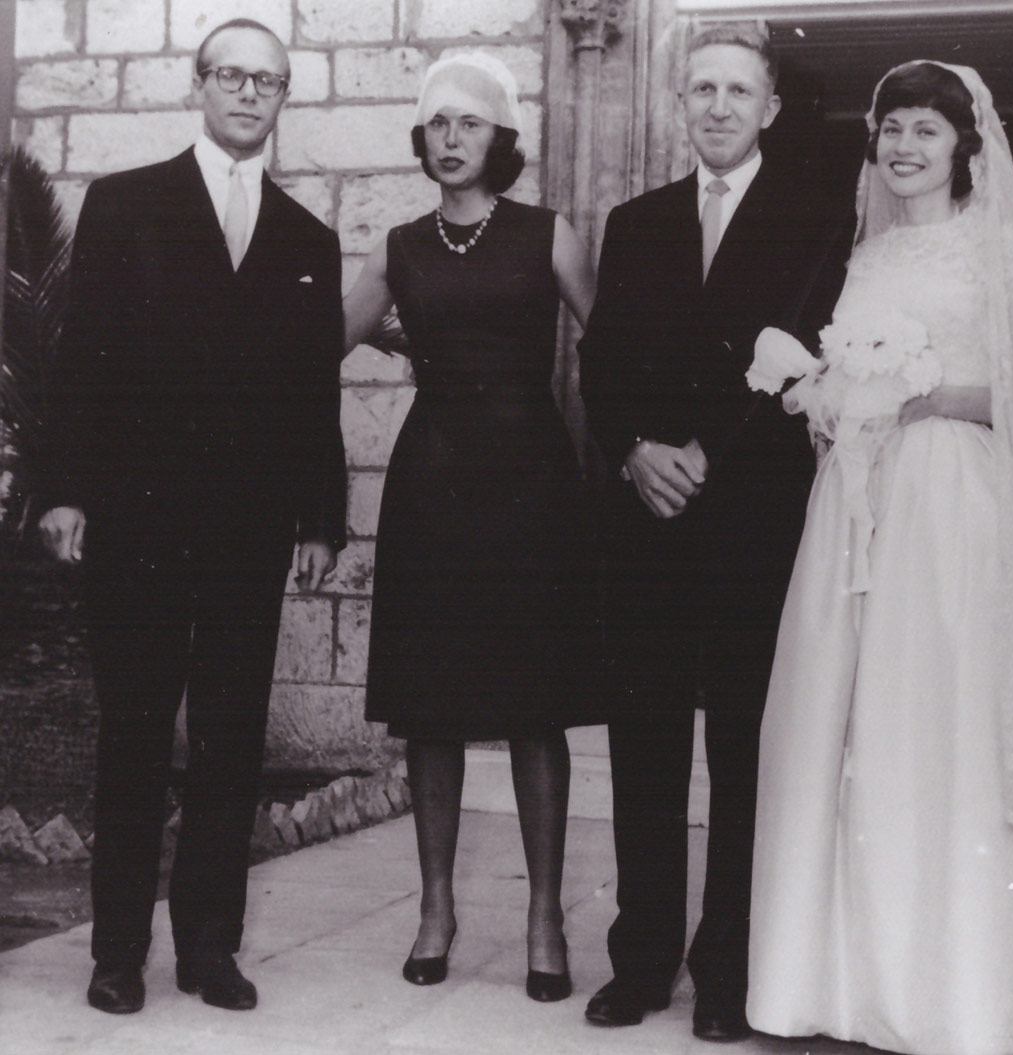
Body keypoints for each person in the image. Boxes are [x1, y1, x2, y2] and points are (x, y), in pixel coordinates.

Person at [746, 61, 1013, 1055]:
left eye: (925, 132)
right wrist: (828, 399)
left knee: (947, 718)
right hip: (860, 502)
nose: (904, 148)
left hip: (956, 503)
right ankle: (845, 976)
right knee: (850, 715)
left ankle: (959, 981)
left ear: (964, 146)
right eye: (892, 130)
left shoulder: (990, 252)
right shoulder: (870, 252)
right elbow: (848, 374)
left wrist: (922, 394)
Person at [37, 19, 346, 1015]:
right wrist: (66, 489)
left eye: (269, 81)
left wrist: (319, 515)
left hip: (250, 528)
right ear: (200, 85)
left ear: (283, 96)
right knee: (134, 730)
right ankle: (117, 950)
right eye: (232, 75)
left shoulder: (308, 236)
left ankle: (210, 945)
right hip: (138, 518)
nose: (250, 93)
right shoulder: (125, 204)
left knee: (229, 733)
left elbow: (311, 394)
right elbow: (77, 360)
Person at [577, 26, 843, 1042]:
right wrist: (635, 450)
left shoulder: (821, 217)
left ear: (771, 107)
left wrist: (705, 458)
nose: (719, 106)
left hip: (755, 529)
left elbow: (812, 371)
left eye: (740, 90)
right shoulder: (634, 221)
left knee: (744, 751)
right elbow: (599, 364)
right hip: (648, 520)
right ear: (677, 104)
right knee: (643, 747)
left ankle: (728, 971)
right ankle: (640, 962)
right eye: (702, 89)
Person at [343, 52, 600, 1003]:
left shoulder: (547, 233)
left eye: (470, 125)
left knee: (534, 706)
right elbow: (324, 336)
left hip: (532, 483)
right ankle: (436, 908)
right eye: (438, 125)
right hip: (434, 486)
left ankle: (543, 916)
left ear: (502, 141)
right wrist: (392, 332)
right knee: (432, 705)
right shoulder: (400, 245)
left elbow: (610, 351)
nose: (451, 140)